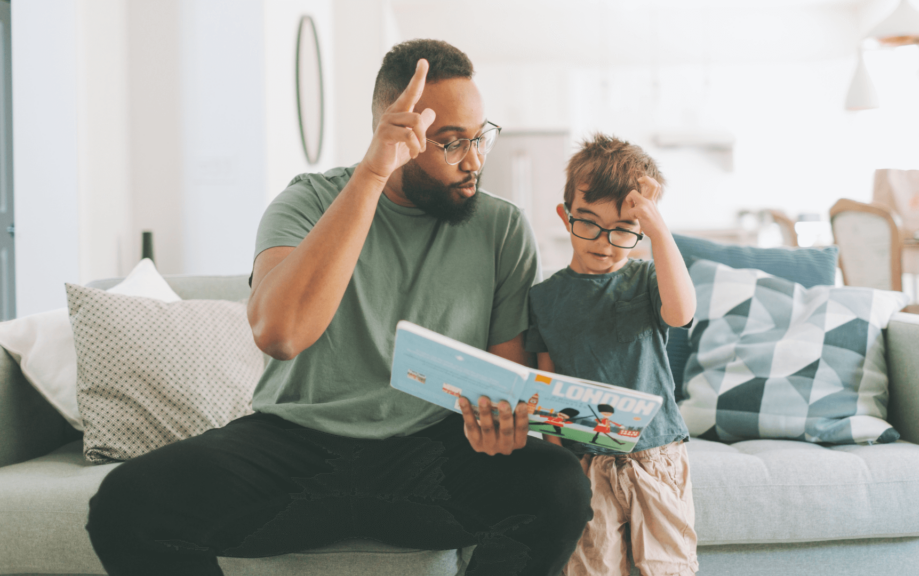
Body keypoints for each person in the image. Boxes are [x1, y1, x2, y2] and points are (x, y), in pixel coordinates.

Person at [85, 39, 592, 576]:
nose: (475, 160)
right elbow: (279, 333)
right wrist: (371, 177)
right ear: (394, 134)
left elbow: (503, 372)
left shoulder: (502, 227)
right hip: (296, 445)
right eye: (451, 143)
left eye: (480, 136)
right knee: (126, 504)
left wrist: (500, 421)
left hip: (434, 452)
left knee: (559, 487)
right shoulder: (305, 202)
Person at [524, 134, 700, 576]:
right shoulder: (544, 299)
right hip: (587, 461)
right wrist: (562, 461)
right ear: (566, 218)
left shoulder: (644, 279)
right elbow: (546, 386)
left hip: (655, 456)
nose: (604, 242)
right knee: (591, 568)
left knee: (668, 566)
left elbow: (681, 313)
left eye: (623, 229)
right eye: (588, 223)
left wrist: (657, 228)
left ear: (641, 229)